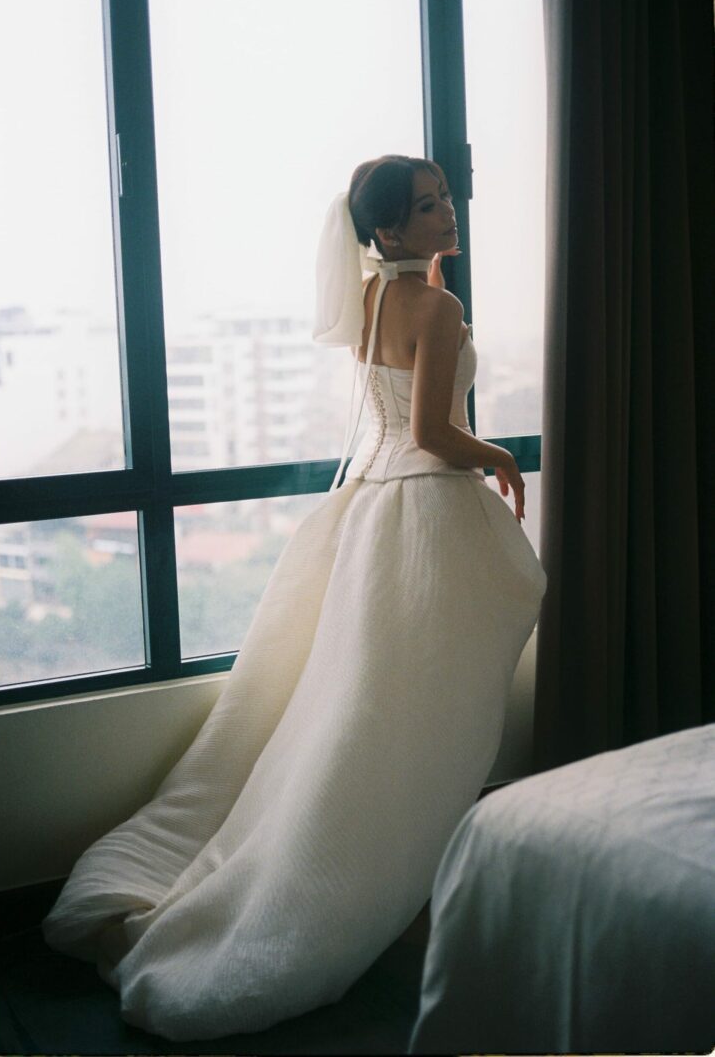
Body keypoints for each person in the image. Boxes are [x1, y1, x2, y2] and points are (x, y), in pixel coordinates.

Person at [42, 154, 547, 1043]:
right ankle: (396, 884)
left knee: (367, 709)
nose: (447, 213)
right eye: (428, 207)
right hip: (428, 516)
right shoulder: (436, 305)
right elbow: (432, 432)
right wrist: (500, 454)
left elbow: (393, 418)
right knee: (426, 719)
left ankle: (397, 876)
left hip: (376, 514)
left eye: (445, 199)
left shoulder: (379, 300)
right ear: (387, 231)